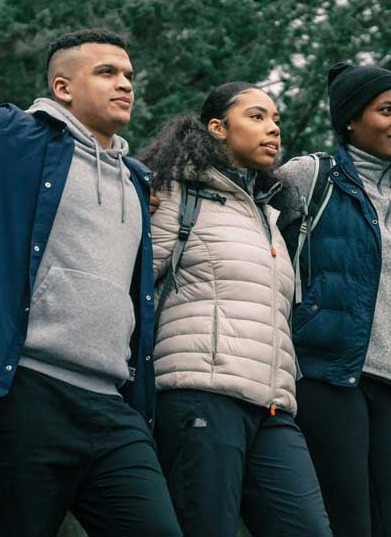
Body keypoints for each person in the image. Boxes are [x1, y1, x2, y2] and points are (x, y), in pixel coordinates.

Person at [0, 29, 182, 537]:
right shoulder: (11, 137)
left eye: (128, 75)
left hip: (112, 403)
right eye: (106, 73)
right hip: (24, 392)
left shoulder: (136, 180)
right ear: (63, 87)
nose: (124, 83)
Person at [138, 82, 332, 536]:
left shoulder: (267, 214)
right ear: (218, 128)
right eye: (257, 117)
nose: (273, 130)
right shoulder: (176, 194)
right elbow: (133, 282)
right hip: (200, 396)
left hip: (273, 407)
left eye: (277, 120)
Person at [273, 63, 391, 537]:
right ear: (349, 119)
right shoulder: (311, 176)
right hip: (328, 376)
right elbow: (240, 203)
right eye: (387, 110)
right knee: (347, 525)